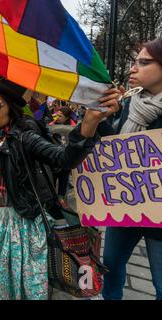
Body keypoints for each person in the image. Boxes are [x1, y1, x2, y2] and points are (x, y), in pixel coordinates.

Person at [0, 65, 120, 299]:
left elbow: (63, 158)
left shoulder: (24, 137)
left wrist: (89, 124)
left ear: (11, 110)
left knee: (15, 282)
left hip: (18, 221)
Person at [100, 37, 162, 301]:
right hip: (126, 206)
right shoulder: (128, 104)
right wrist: (103, 119)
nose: (133, 69)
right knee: (110, 264)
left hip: (159, 215)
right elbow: (111, 149)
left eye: (144, 62)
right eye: (135, 62)